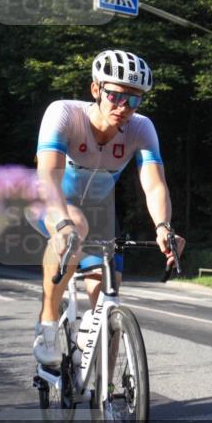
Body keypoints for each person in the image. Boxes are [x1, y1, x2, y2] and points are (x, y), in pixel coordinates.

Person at [33, 49, 185, 367]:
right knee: (75, 225)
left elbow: (155, 185)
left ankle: (106, 391)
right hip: (54, 200)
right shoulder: (64, 114)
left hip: (101, 213)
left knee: (107, 303)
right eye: (115, 96)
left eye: (133, 100)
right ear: (96, 89)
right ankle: (47, 322)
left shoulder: (141, 128)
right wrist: (62, 224)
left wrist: (163, 227)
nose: (123, 107)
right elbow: (48, 176)